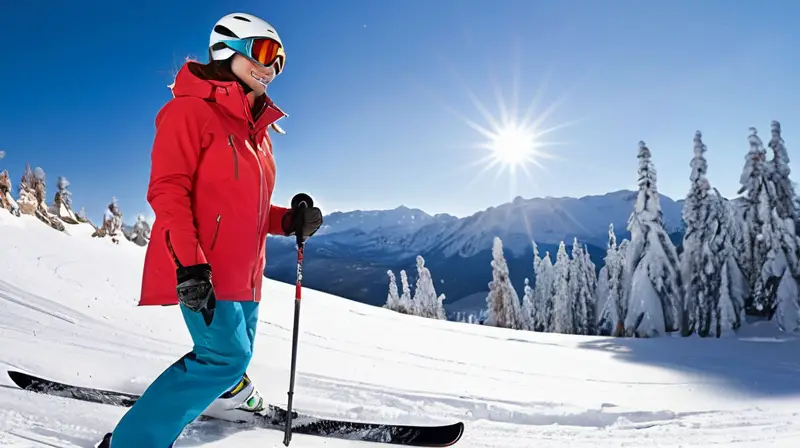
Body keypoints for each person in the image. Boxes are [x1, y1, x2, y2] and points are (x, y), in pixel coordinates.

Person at [96, 12, 323, 448]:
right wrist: (190, 265)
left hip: (246, 275)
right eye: (262, 52)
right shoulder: (188, 112)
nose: (271, 67)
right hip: (203, 268)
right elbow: (168, 193)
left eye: (280, 60)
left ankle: (223, 394)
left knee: (230, 360)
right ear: (227, 49)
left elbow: (245, 209)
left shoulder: (257, 130)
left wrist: (288, 220)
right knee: (224, 358)